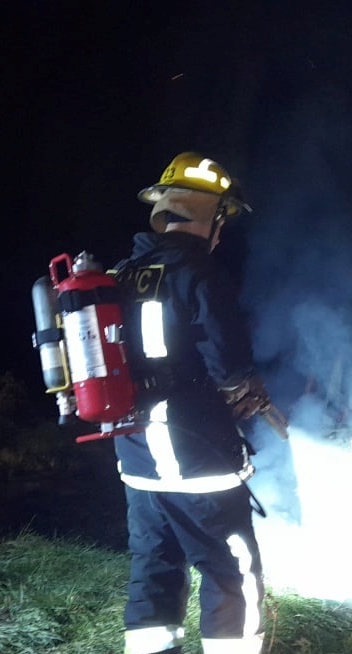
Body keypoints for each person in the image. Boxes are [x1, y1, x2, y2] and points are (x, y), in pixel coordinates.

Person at [111, 152, 272, 654]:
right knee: (230, 566)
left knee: (154, 564)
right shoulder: (200, 271)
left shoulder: (124, 272)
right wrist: (245, 387)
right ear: (212, 216)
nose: (222, 233)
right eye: (224, 219)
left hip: (136, 449)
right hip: (195, 448)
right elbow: (228, 363)